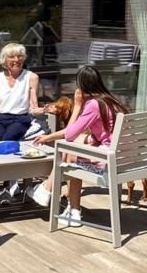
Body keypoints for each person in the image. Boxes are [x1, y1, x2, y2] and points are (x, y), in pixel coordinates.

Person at [29, 65, 127, 226]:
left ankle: (52, 194)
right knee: (75, 145)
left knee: (69, 153)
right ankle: (65, 204)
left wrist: (77, 106)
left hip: (110, 162)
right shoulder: (112, 100)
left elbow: (69, 134)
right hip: (125, 157)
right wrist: (48, 137)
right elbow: (103, 133)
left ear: (81, 85)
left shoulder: (94, 105)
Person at [0, 43, 45, 204]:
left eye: (20, 56)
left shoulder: (31, 77)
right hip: (0, 118)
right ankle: (4, 183)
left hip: (20, 118)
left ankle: (7, 187)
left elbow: (33, 106)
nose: (16, 59)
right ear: (4, 60)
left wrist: (41, 110)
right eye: (12, 56)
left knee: (6, 143)